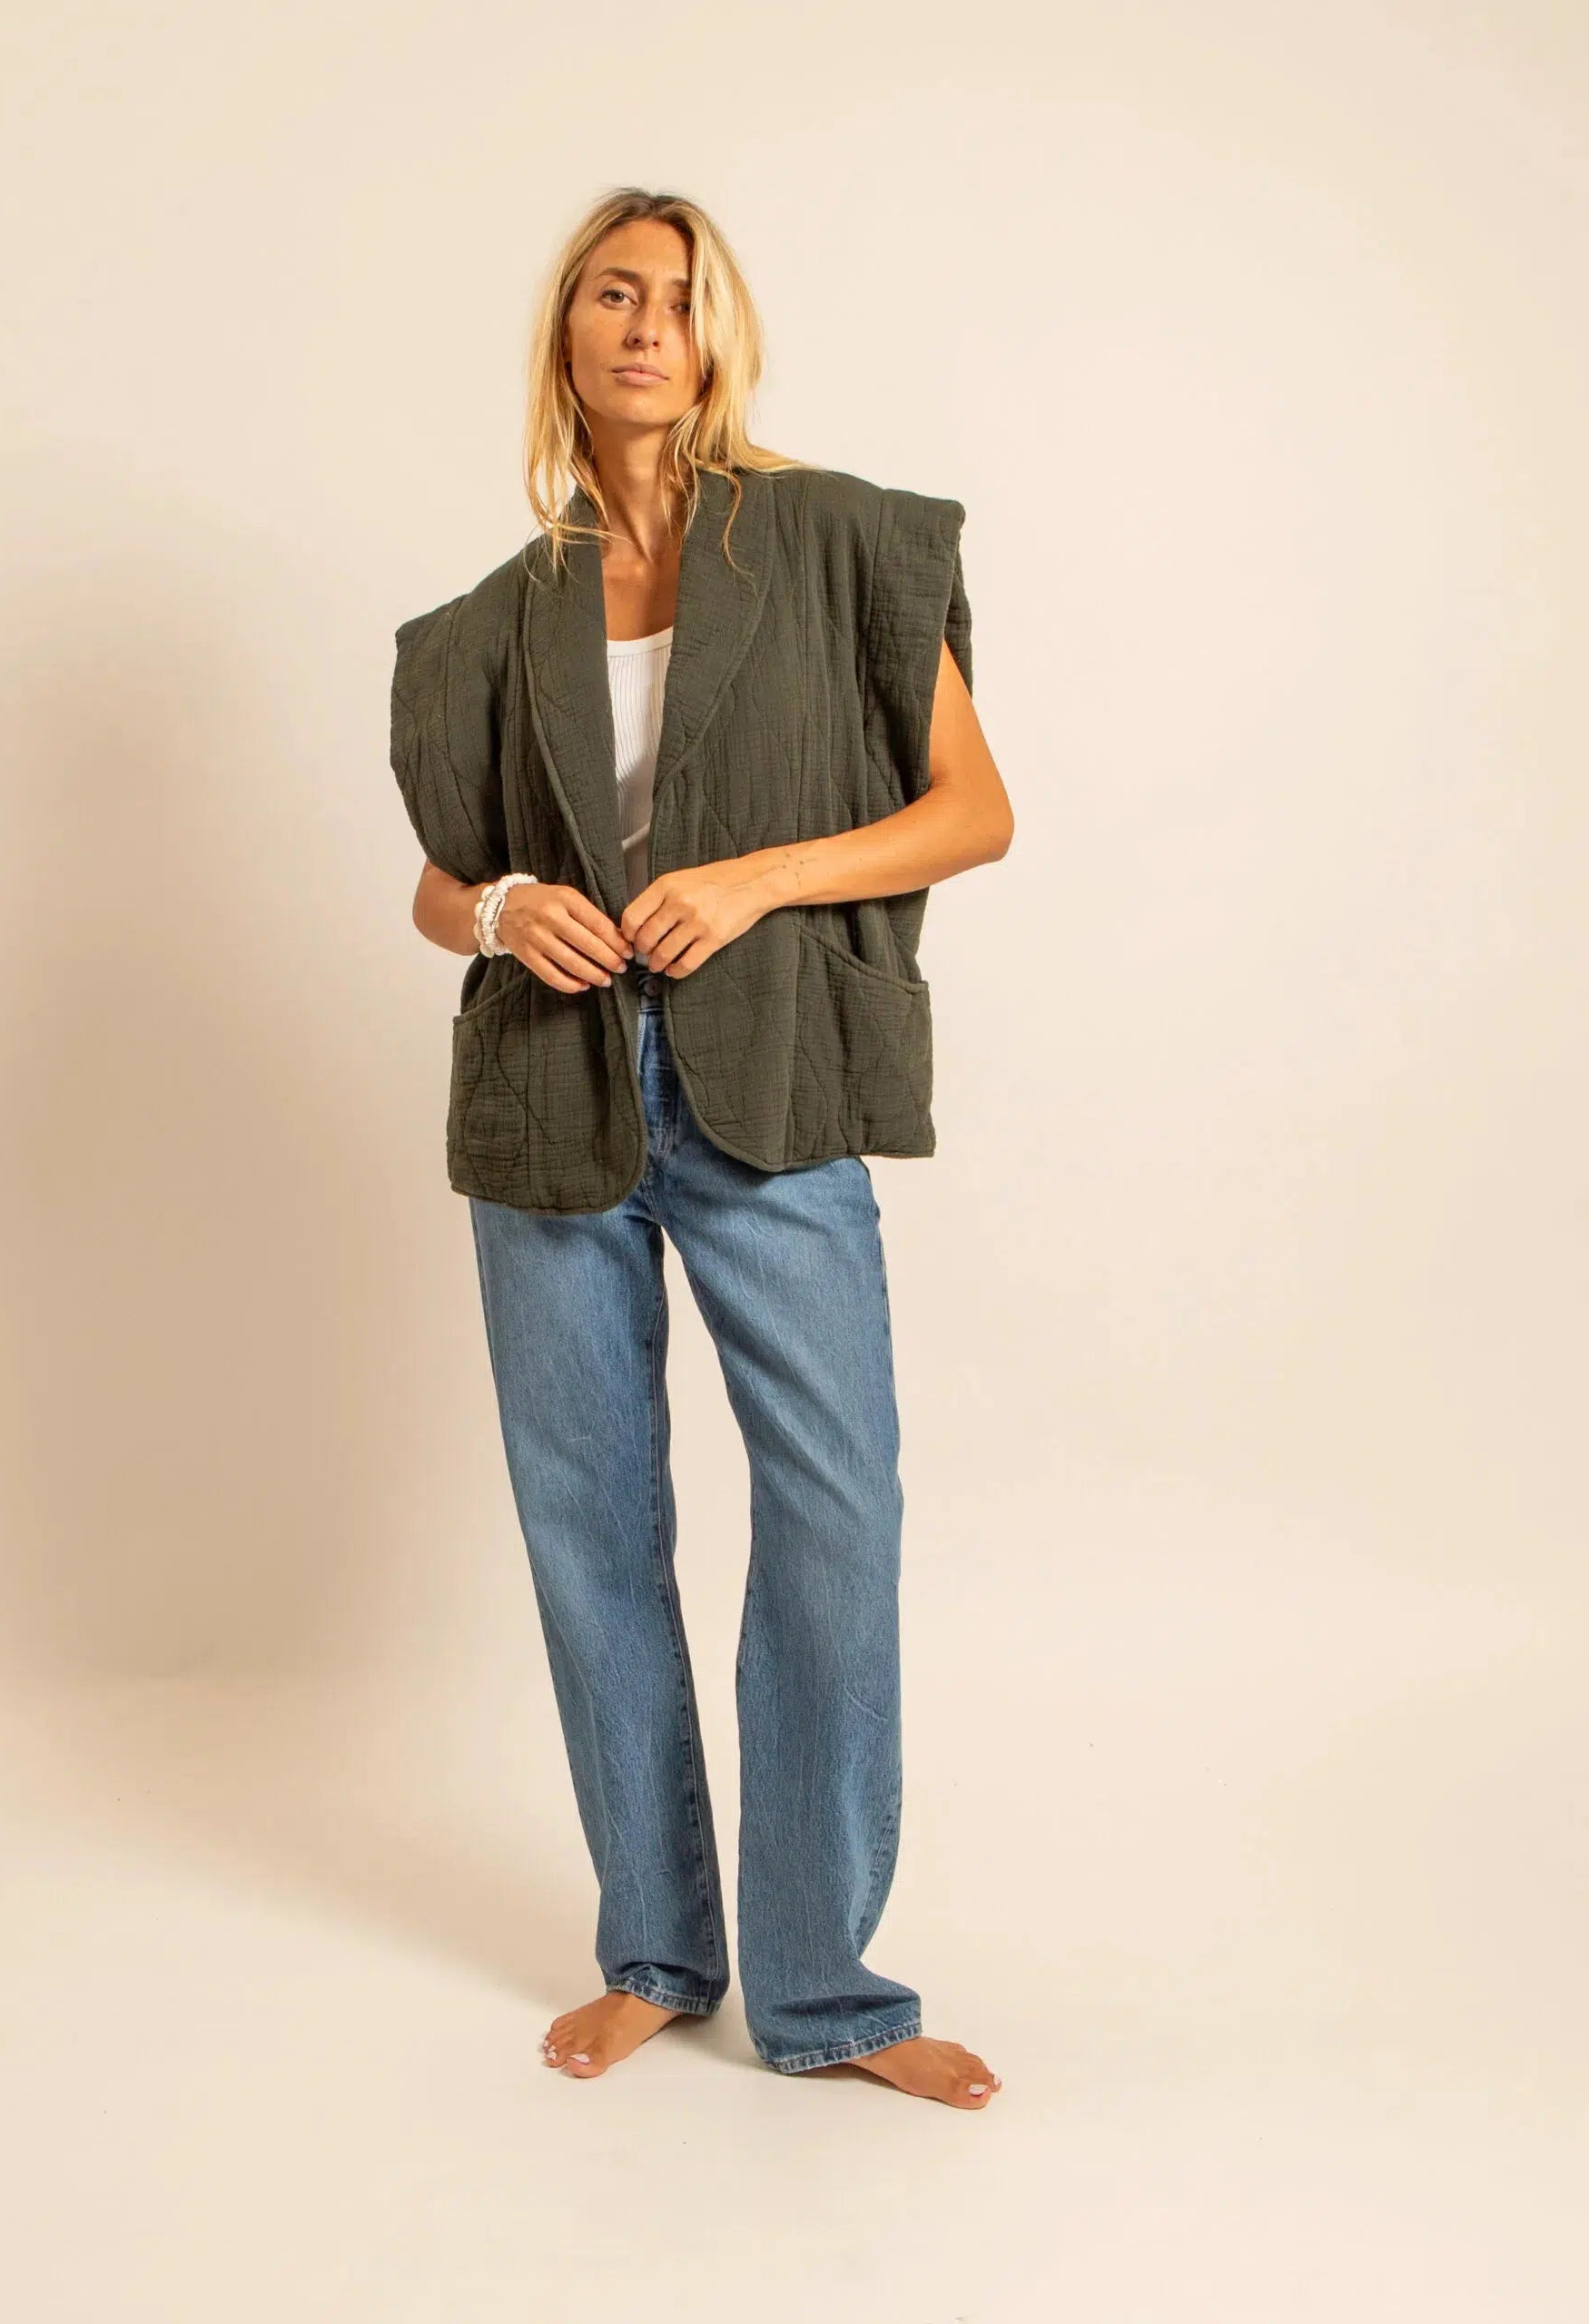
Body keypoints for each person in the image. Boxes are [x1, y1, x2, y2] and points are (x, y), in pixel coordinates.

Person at [390, 188, 1014, 2109]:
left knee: (835, 1515)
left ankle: (827, 1987)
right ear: (567, 333)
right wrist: (504, 908)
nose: (647, 324)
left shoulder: (836, 543)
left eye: (679, 297)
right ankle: (656, 1952)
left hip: (775, 1081)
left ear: (718, 333)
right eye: (612, 292)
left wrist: (753, 880)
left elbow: (971, 810)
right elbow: (437, 882)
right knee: (592, 1534)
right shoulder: (490, 621)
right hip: (548, 1095)